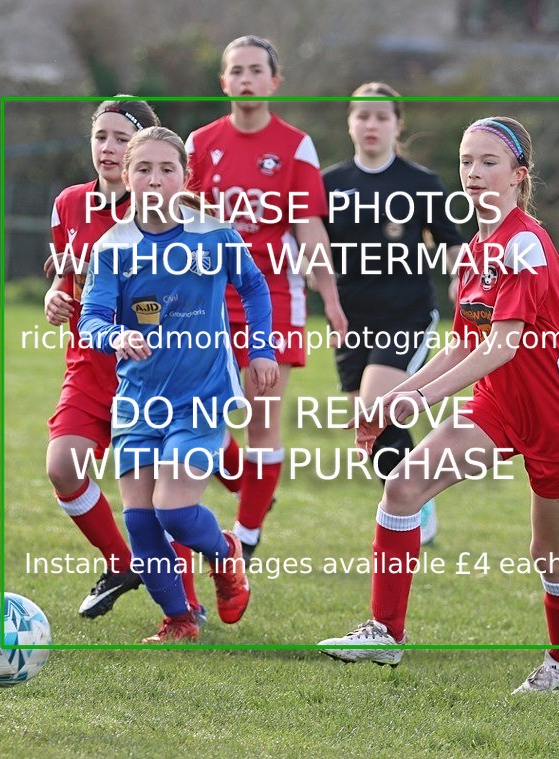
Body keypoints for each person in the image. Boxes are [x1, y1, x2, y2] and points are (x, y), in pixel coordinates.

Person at [319, 116, 559, 694]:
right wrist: (401, 392)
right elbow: (466, 343)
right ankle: (383, 633)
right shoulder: (475, 248)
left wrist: (420, 395)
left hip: (557, 411)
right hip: (496, 405)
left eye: (488, 163)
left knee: (549, 553)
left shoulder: (523, 242)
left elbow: (506, 342)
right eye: (466, 162)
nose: (473, 174)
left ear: (518, 176)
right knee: (402, 487)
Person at [78, 126, 279, 642]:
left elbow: (253, 287)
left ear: (184, 176)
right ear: (126, 177)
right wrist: (116, 335)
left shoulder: (213, 233)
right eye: (143, 169)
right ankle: (179, 620)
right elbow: (91, 321)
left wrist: (260, 350)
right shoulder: (112, 247)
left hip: (203, 396)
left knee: (173, 509)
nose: (155, 179)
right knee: (142, 523)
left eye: (167, 169)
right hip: (139, 401)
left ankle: (226, 551)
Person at [185, 35, 347, 561]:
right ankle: (251, 488)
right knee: (193, 412)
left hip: (272, 297)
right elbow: (178, 224)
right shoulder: (198, 144)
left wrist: (331, 298)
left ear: (275, 81)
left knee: (262, 417)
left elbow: (309, 229)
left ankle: (246, 536)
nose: (247, 78)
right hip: (205, 297)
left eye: (257, 69)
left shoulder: (295, 146)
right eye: (237, 70)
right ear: (224, 81)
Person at [43, 98, 202, 620]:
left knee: (158, 502)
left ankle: (188, 607)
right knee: (63, 467)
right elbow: (68, 279)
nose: (107, 148)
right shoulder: (69, 203)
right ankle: (122, 561)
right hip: (88, 365)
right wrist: (57, 297)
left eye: (119, 139)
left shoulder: (162, 213)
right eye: (100, 136)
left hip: (149, 374)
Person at [322, 82, 465, 546]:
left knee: (376, 412)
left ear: (397, 124)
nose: (371, 124)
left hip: (405, 315)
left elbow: (452, 245)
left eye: (381, 116)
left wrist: (465, 281)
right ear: (349, 121)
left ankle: (413, 510)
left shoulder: (420, 182)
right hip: (349, 321)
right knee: (372, 430)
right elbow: (308, 247)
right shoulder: (329, 184)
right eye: (362, 115)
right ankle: (413, 498)